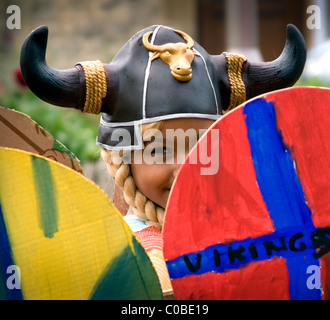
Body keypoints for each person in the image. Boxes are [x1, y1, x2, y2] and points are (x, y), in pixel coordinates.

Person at [20, 24, 306, 296]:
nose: (185, 166)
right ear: (122, 157)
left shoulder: (253, 239)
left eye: (201, 146)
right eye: (160, 150)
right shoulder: (109, 255)